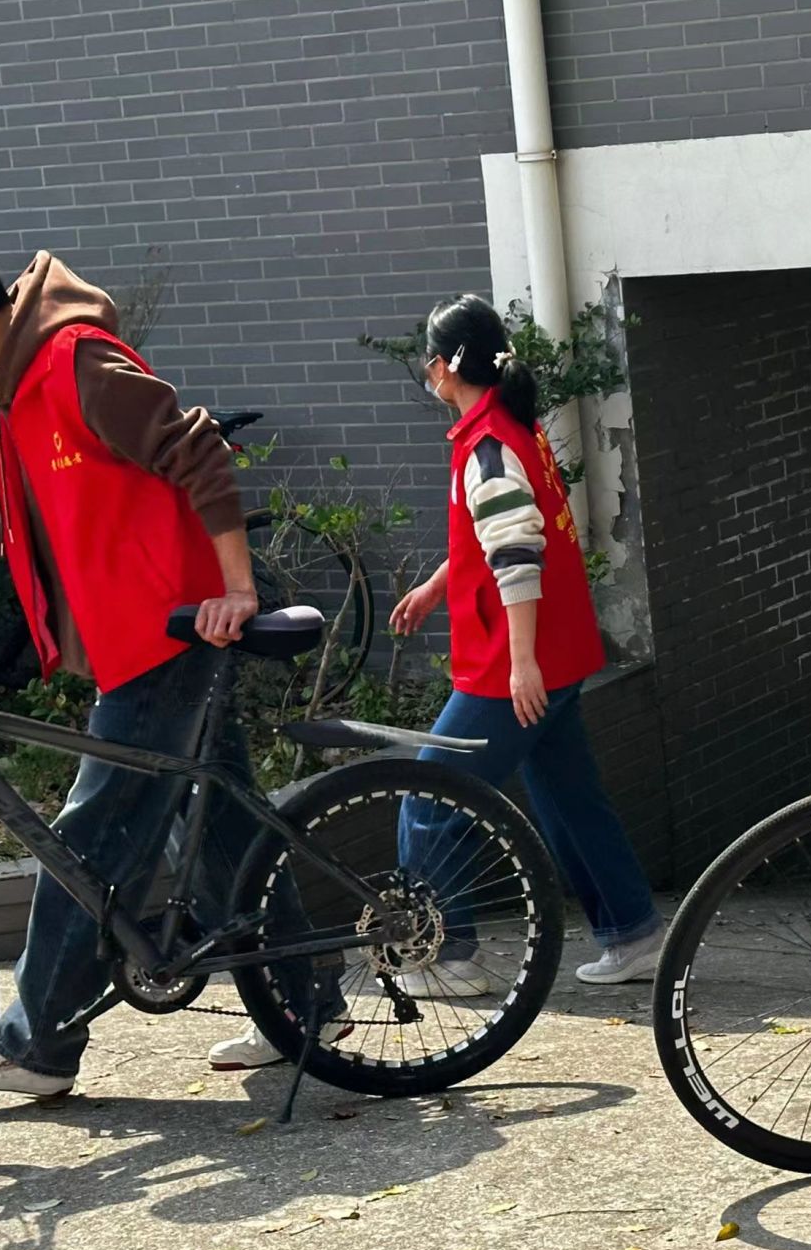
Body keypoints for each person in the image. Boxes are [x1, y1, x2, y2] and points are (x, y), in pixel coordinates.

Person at [0, 234, 338, 1096]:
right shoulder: (4, 395)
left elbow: (195, 448)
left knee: (90, 837)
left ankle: (35, 1045)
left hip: (171, 634)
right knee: (222, 826)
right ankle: (307, 1004)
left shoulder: (76, 363)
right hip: (132, 640)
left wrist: (238, 589)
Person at [217, 292, 661, 1080]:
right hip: (557, 653)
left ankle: (451, 953)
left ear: (447, 366)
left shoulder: (487, 443)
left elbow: (515, 554)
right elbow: (499, 535)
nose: (426, 371)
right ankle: (633, 932)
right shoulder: (511, 430)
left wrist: (519, 662)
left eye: (430, 358)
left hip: (511, 664)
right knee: (570, 797)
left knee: (428, 797)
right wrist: (434, 588)